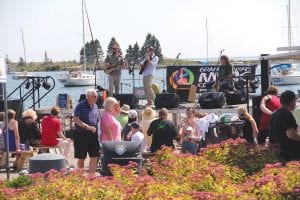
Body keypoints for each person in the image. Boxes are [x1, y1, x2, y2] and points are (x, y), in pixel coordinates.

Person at [73, 88, 100, 174]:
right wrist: (87, 126)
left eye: (96, 96)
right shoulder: (80, 105)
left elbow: (97, 120)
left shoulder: (96, 106)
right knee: (81, 157)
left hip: (93, 134)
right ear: (88, 97)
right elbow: (76, 119)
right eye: (94, 96)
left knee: (95, 155)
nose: (96, 98)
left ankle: (91, 177)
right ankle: (80, 177)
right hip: (81, 134)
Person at [270, 90, 300, 161]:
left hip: (277, 151)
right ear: (292, 101)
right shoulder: (287, 114)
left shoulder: (274, 114)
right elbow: (291, 135)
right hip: (289, 152)